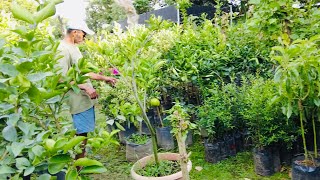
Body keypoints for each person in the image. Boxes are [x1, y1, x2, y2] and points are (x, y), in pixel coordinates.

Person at [56, 20, 116, 159]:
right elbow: (60, 78)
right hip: (77, 99)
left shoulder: (73, 47)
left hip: (84, 98)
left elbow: (83, 72)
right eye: (83, 34)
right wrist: (84, 87)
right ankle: (78, 167)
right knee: (81, 134)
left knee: (83, 133)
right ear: (75, 32)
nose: (84, 37)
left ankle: (80, 159)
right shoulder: (62, 49)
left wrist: (104, 78)